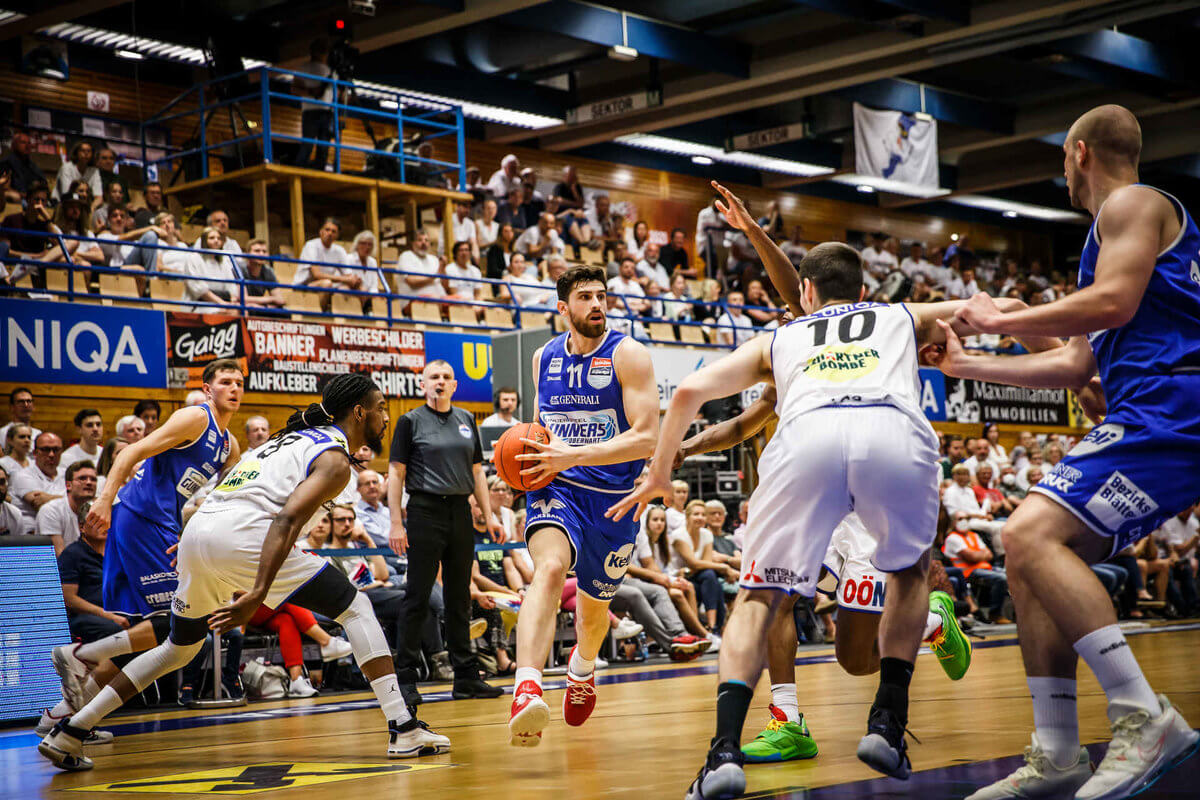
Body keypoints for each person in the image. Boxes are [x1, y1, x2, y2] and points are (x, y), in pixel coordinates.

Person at [607, 180, 1016, 798]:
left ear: (805, 295)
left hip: (818, 468)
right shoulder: (891, 318)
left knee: (828, 637)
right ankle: (798, 716)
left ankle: (931, 621)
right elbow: (747, 419)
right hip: (883, 443)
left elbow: (700, 386)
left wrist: (664, 464)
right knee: (793, 595)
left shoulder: (790, 336)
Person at [934, 104, 1200, 800]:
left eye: (1061, 158)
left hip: (1175, 406)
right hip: (1156, 409)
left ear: (1079, 153)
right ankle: (1056, 751)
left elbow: (1112, 302)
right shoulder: (1109, 235)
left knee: (1026, 531)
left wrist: (1003, 317)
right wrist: (971, 367)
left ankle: (1144, 715)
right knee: (1031, 558)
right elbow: (1078, 365)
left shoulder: (1133, 203)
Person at [38, 374, 452, 771]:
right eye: (381, 408)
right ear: (359, 413)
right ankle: (403, 726)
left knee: (178, 648)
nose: (386, 417)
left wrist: (196, 543)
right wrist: (257, 591)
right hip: (245, 536)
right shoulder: (334, 459)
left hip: (200, 533)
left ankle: (70, 731)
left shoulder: (284, 441)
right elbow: (286, 521)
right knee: (357, 606)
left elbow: (231, 496)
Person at [43, 361, 244, 734]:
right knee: (180, 622)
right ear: (208, 388)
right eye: (226, 381)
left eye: (239, 382)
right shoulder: (195, 419)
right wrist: (105, 499)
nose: (234, 388)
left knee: (155, 633)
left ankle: (59, 716)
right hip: (139, 516)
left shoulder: (230, 445)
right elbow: (129, 454)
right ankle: (81, 654)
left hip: (163, 523)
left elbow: (219, 503)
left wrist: (194, 533)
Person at [505, 265, 659, 747]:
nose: (597, 304)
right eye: (586, 297)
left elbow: (648, 437)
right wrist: (523, 463)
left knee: (594, 613)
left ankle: (582, 667)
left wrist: (575, 452)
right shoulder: (542, 358)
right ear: (562, 308)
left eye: (602, 295)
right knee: (548, 568)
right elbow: (538, 426)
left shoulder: (628, 354)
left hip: (615, 501)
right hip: (558, 488)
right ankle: (527, 685)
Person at [388, 360, 505, 707]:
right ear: (422, 385)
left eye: (445, 378)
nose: (439, 382)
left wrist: (489, 514)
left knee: (458, 598)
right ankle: (405, 678)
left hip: (460, 512)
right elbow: (396, 473)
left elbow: (478, 473)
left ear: (454, 385)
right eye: (433, 378)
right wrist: (396, 521)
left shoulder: (468, 420)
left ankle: (466, 677)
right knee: (418, 596)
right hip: (425, 510)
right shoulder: (410, 421)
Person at [293, 219, 357, 311]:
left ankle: (343, 318)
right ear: (321, 232)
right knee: (327, 283)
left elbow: (348, 275)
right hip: (303, 286)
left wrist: (354, 280)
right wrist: (345, 279)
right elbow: (317, 275)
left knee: (346, 288)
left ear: (337, 235)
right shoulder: (311, 245)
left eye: (333, 231)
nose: (330, 233)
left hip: (326, 285)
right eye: (327, 230)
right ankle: (318, 314)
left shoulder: (339, 250)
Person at [36, 460, 97, 555]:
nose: (89, 482)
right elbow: (60, 557)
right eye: (82, 478)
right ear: (68, 485)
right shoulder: (51, 510)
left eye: (93, 479)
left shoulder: (95, 511)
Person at [292, 39, 335, 169]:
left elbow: (337, 94)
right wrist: (312, 92)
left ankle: (316, 168)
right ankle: (301, 167)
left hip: (323, 112)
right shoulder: (304, 69)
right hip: (313, 111)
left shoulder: (331, 71)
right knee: (310, 144)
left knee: (322, 145)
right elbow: (294, 89)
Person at [12, 432, 65, 534]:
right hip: (32, 537)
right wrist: (73, 499)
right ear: (35, 453)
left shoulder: (68, 473)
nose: (51, 454)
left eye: (56, 450)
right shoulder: (22, 475)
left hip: (62, 531)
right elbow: (40, 503)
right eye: (45, 450)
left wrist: (49, 497)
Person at [1, 130, 46, 201]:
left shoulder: (32, 166)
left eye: (29, 143)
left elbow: (43, 183)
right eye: (23, 142)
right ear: (14, 145)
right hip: (16, 199)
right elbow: (3, 187)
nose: (27, 146)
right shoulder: (6, 163)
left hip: (32, 199)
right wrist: (20, 194)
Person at [242, 240, 287, 310]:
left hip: (258, 306)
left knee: (284, 312)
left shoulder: (268, 271)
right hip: (244, 307)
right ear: (248, 253)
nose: (261, 254)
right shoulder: (241, 269)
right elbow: (243, 298)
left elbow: (280, 299)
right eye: (257, 251)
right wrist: (271, 299)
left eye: (264, 251)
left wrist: (262, 306)